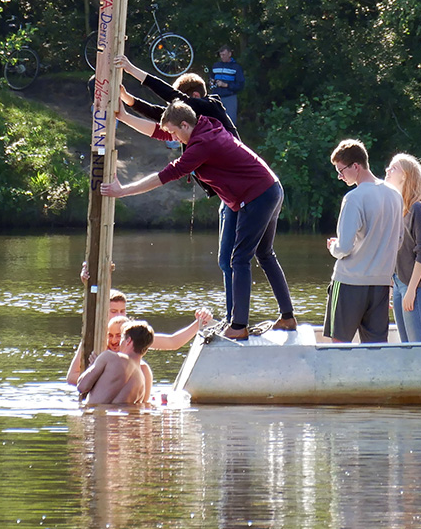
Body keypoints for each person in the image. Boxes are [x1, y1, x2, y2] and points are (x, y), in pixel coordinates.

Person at [101, 100, 297, 340]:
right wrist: (125, 116)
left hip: (257, 196)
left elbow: (167, 174)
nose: (172, 138)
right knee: (264, 254)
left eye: (174, 132)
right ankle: (287, 317)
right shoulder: (204, 126)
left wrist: (123, 191)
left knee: (240, 259)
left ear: (185, 124)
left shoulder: (202, 144)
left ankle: (239, 326)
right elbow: (159, 131)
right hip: (270, 188)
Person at [115, 54, 241, 323]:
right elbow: (160, 124)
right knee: (230, 260)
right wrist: (129, 106)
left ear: (192, 97)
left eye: (178, 103)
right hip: (229, 197)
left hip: (242, 195)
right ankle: (235, 318)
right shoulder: (192, 124)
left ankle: (236, 320)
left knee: (233, 260)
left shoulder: (209, 109)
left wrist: (131, 68)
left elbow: (166, 96)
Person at [324, 139, 403, 343]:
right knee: (375, 349)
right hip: (381, 283)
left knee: (338, 345)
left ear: (356, 166)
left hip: (350, 282)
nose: (340, 177)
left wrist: (333, 246)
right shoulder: (395, 195)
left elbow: (344, 247)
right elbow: (399, 240)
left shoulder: (354, 198)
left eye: (341, 171)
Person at [66, 285, 212, 385]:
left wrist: (199, 322)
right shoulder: (94, 337)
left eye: (122, 311)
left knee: (142, 367)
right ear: (104, 312)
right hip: (101, 393)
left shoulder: (133, 335)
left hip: (129, 393)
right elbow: (71, 377)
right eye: (114, 311)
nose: (119, 315)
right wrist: (98, 374)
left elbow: (172, 342)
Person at [384, 153, 421, 343]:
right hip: (399, 284)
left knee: (418, 346)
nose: (387, 171)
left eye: (393, 168)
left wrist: (411, 290)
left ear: (405, 176)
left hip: (416, 286)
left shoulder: (417, 209)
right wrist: (390, 285)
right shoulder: (398, 208)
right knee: (406, 346)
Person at [76, 319, 155, 406]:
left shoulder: (109, 357)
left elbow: (82, 386)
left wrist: (93, 366)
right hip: (119, 419)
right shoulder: (142, 384)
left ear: (128, 341)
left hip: (95, 417)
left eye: (122, 338)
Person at [210, 44, 245, 123]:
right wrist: (212, 82)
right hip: (216, 97)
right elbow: (211, 78)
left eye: (224, 55)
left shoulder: (236, 67)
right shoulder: (216, 66)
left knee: (230, 122)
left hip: (230, 97)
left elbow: (240, 85)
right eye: (221, 55)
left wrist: (226, 85)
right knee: (215, 121)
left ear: (230, 54)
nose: (222, 57)